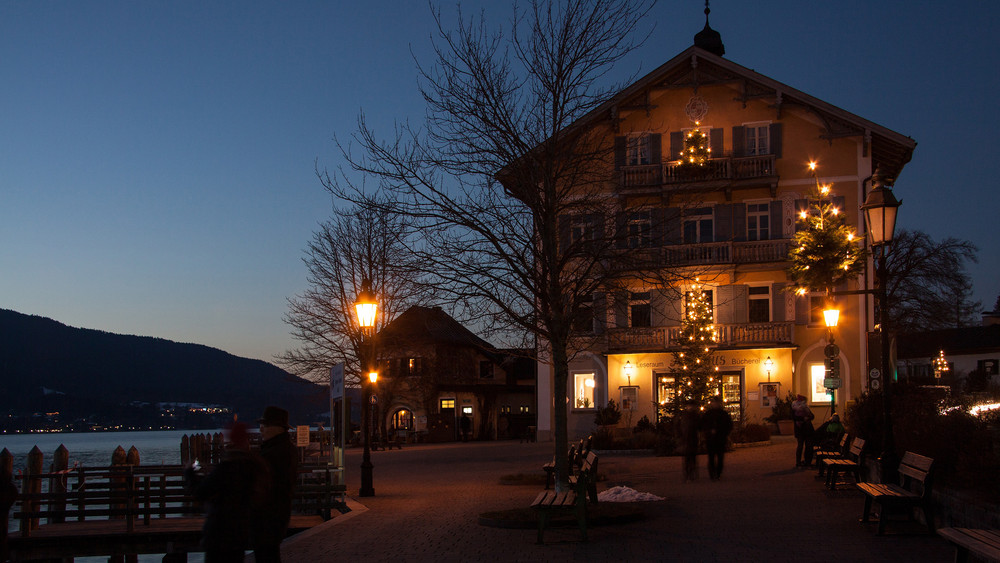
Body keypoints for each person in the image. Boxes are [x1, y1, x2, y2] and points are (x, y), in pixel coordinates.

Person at [186, 422, 266, 563]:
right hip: (241, 530)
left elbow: (201, 492)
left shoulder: (227, 467)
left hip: (220, 531)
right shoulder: (255, 465)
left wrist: (190, 474)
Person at [253, 406, 298, 563]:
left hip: (269, 517)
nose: (261, 429)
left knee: (266, 554)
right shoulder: (282, 449)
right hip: (275, 516)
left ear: (276, 428)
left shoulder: (275, 453)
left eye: (265, 425)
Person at [700, 396, 733, 480]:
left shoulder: (723, 414)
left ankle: (718, 473)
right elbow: (703, 425)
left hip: (720, 439)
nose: (715, 404)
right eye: (714, 402)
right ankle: (712, 474)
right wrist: (708, 432)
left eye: (716, 402)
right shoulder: (708, 414)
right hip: (710, 439)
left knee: (720, 457)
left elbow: (729, 426)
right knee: (711, 457)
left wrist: (724, 433)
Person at [678, 400, 701, 482]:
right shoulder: (683, 415)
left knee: (693, 458)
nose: (690, 407)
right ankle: (687, 474)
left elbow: (699, 427)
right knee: (687, 458)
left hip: (693, 439)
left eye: (691, 406)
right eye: (689, 406)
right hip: (685, 439)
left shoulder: (696, 416)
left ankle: (692, 474)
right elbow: (679, 427)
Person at [791, 394, 815, 467]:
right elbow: (811, 416)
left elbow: (812, 416)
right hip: (803, 429)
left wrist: (805, 419)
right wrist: (804, 419)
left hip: (804, 430)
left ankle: (804, 462)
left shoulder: (803, 407)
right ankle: (804, 462)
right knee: (803, 446)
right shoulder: (796, 407)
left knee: (805, 446)